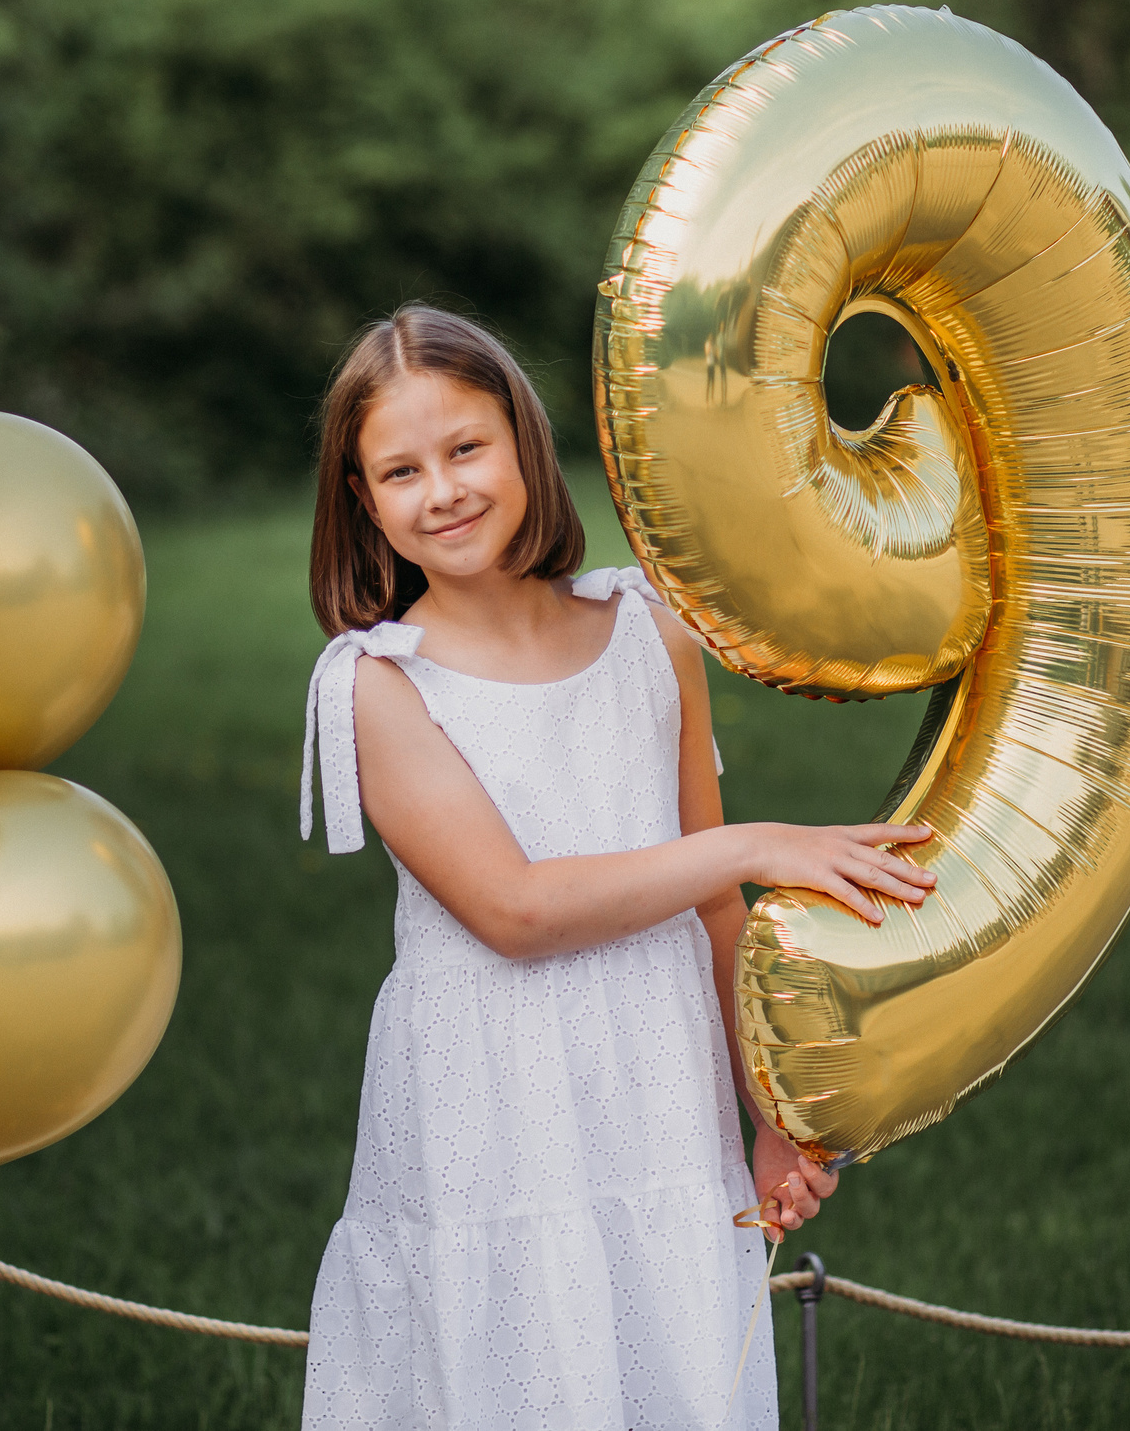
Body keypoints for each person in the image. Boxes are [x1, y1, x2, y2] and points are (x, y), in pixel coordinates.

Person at [297, 305, 937, 1430]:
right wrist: (753, 841)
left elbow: (718, 915)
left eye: (465, 449)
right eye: (398, 470)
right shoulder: (376, 685)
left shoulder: (650, 631)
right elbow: (513, 910)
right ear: (361, 500)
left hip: (656, 1084)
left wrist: (774, 1108)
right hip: (489, 1106)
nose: (441, 490)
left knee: (671, 1361)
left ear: (522, 442)